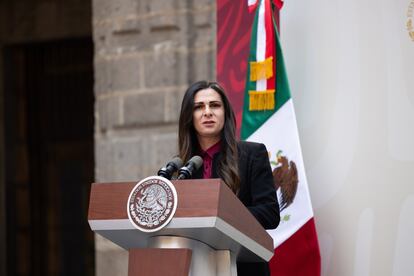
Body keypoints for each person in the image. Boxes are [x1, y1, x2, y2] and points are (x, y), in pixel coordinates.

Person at [178, 80, 280, 276]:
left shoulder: (252, 154)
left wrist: (221, 215)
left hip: (243, 267)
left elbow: (270, 214)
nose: (207, 112)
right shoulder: (180, 168)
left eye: (214, 105)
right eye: (199, 107)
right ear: (189, 116)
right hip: (193, 267)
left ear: (225, 113)